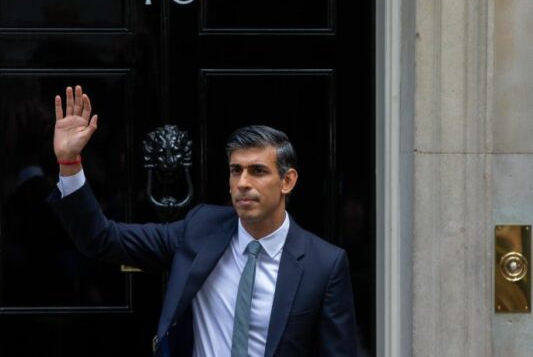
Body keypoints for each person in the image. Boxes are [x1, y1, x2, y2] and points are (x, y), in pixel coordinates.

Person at [48, 85, 358, 357]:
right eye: (236, 171)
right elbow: (102, 238)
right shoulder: (200, 229)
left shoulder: (324, 265)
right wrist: (69, 163)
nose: (243, 183)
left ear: (287, 181)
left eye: (258, 171)